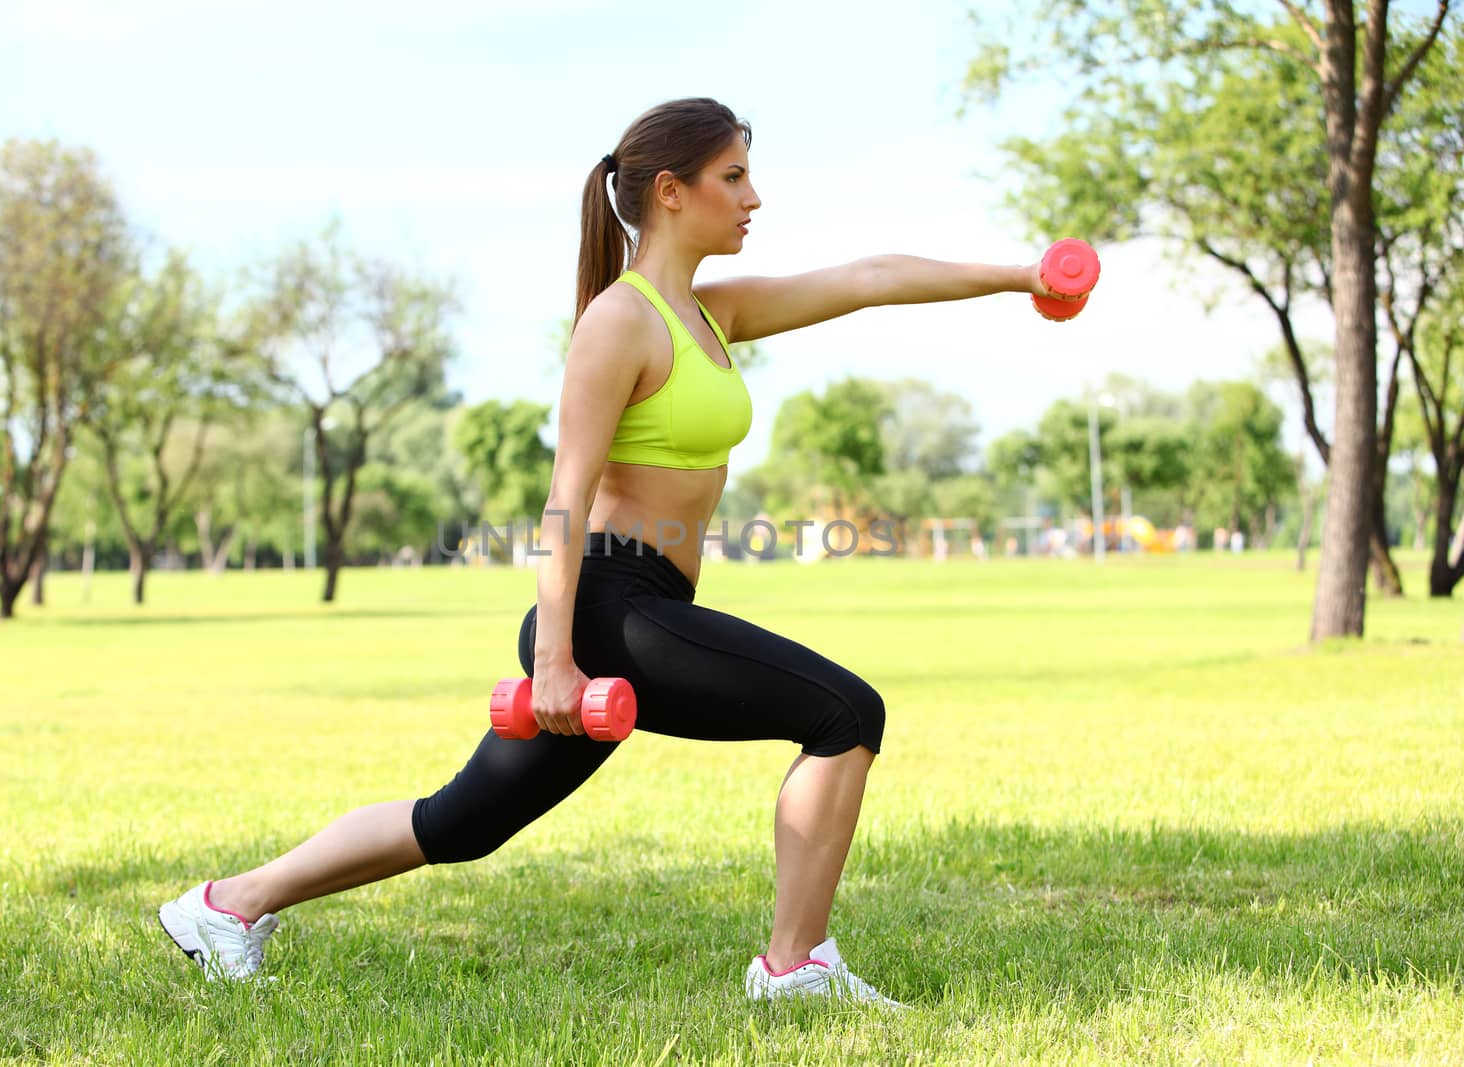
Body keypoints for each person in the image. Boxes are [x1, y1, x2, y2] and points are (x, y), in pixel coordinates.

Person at [158, 96, 1079, 1003]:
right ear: (671, 191)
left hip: (646, 609)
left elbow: (869, 277)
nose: (754, 198)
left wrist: (1020, 274)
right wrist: (555, 660)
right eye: (735, 176)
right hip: (606, 608)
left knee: (464, 819)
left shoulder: (710, 314)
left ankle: (226, 905)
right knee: (846, 714)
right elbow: (564, 502)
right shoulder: (619, 322)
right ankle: (795, 966)